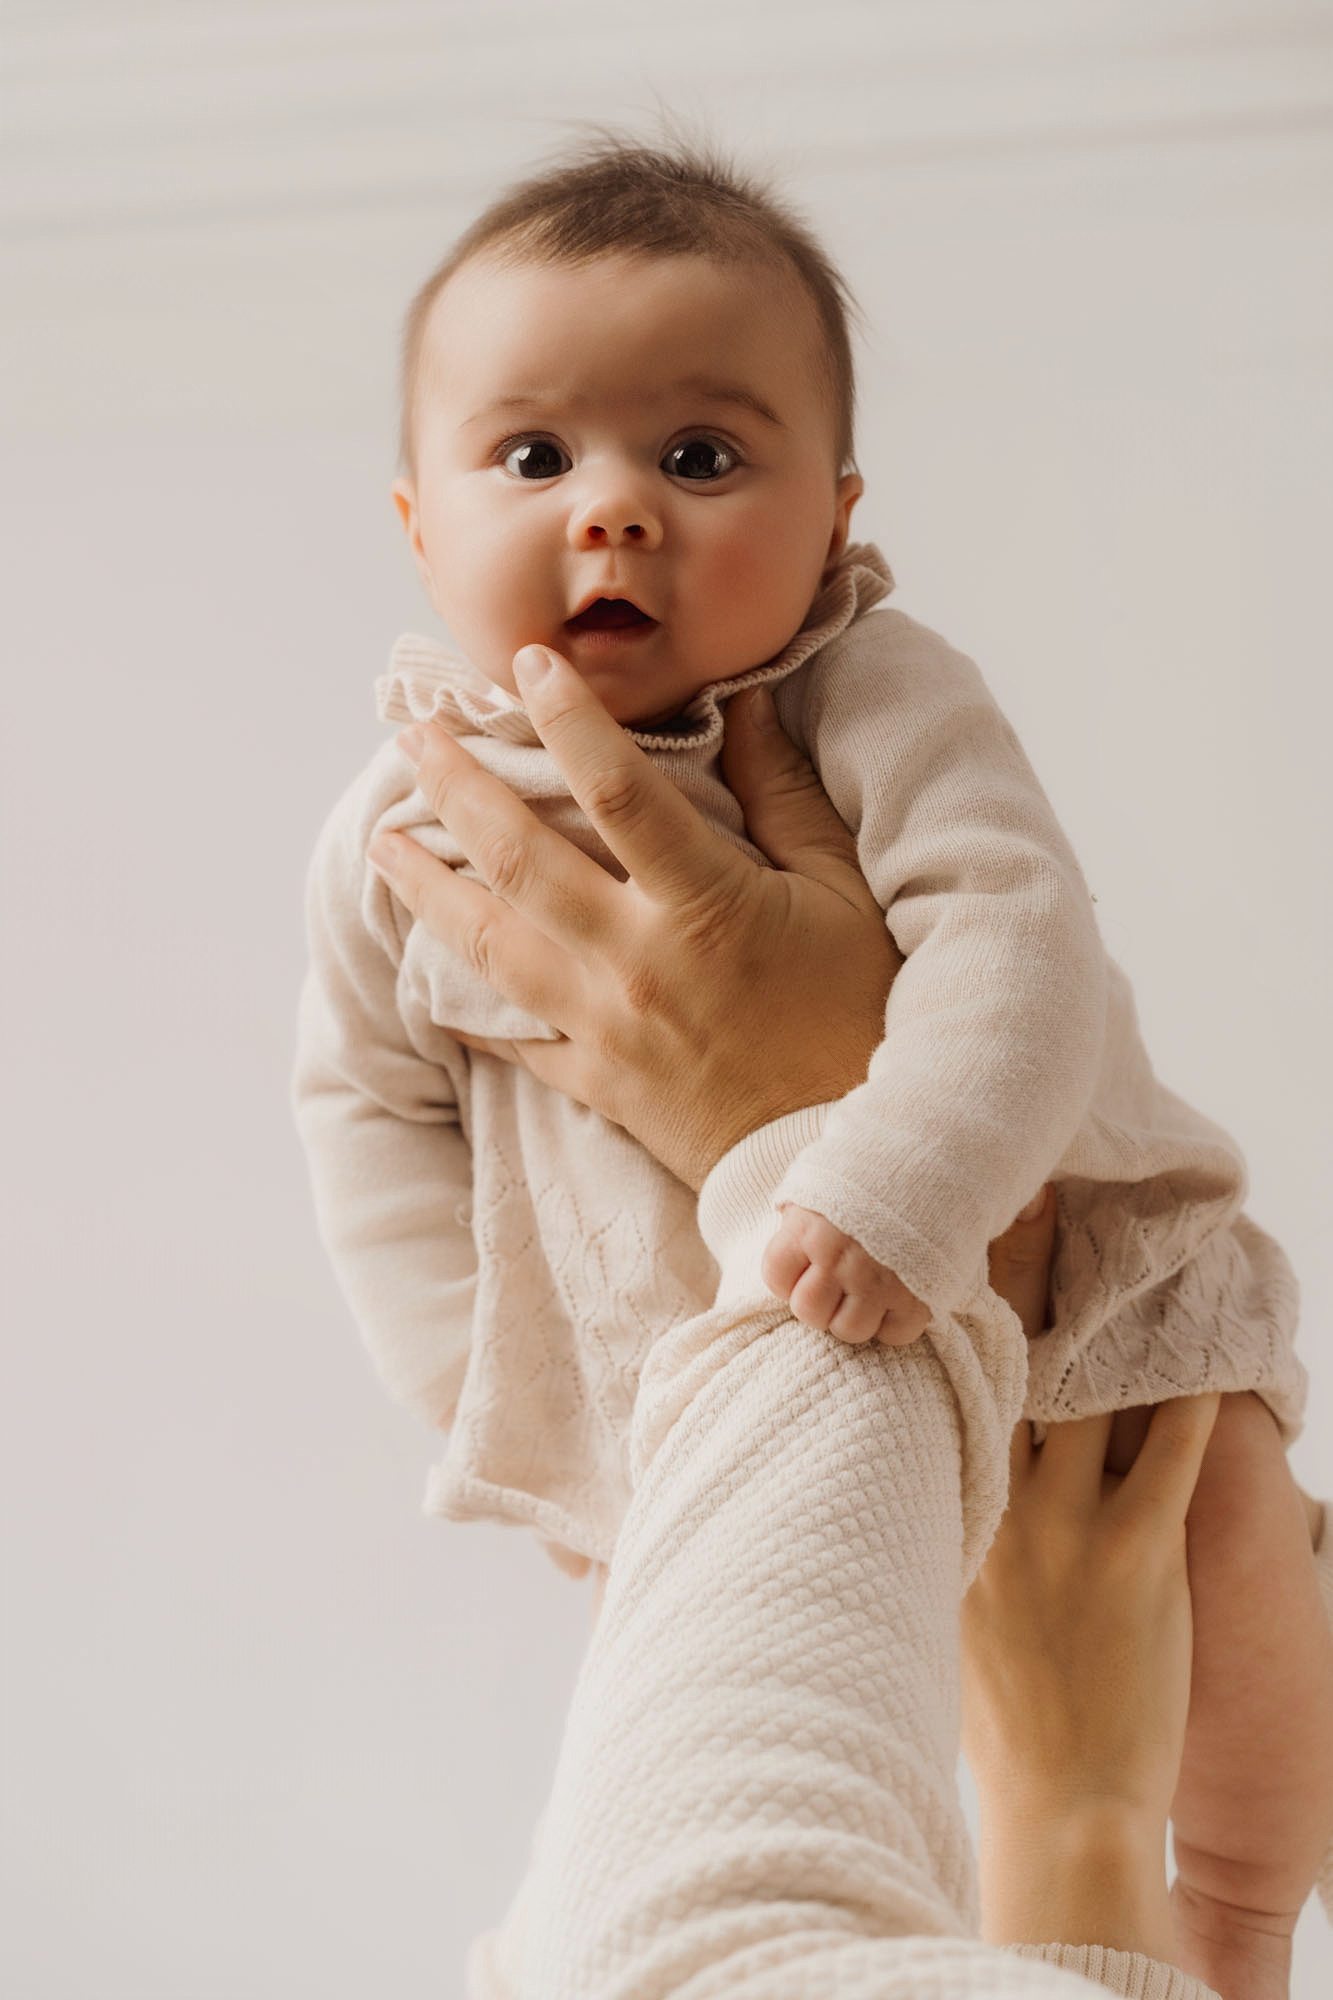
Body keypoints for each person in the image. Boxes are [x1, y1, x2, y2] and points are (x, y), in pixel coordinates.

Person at [291, 139, 1333, 1995]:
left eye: (701, 457)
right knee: (761, 1744)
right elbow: (369, 1114)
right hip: (712, 1392)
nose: (615, 512)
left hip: (1085, 1302)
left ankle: (1236, 1925)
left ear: (838, 519)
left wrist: (898, 1188)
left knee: (1231, 1596)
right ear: (416, 526)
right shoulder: (403, 821)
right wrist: (501, 1402)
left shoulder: (869, 696)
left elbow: (1017, 944)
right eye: (532, 457)